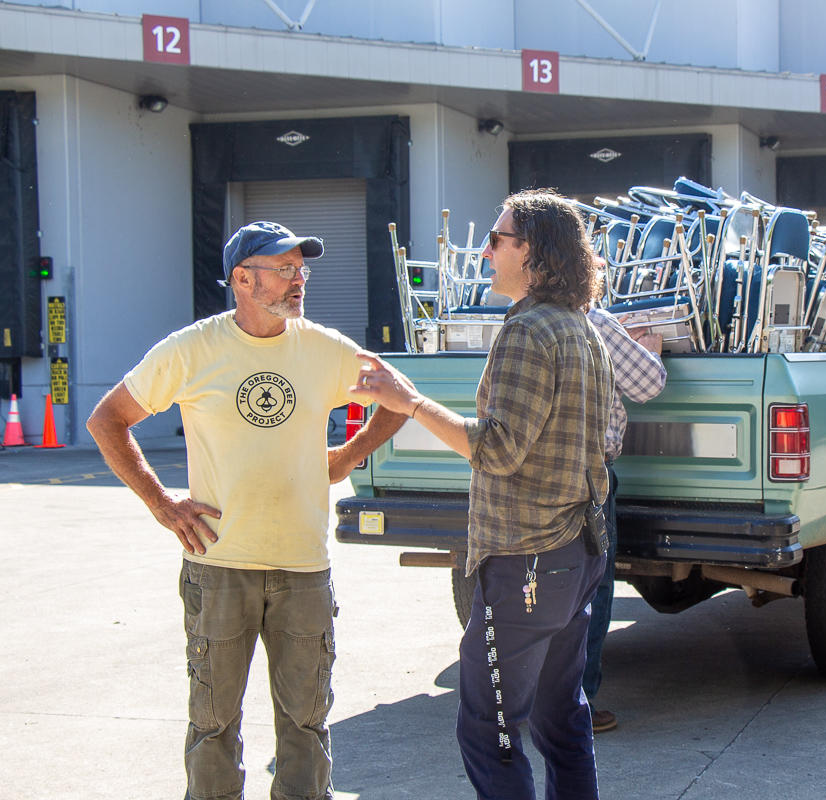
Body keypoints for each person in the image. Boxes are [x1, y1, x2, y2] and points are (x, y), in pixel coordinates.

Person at [86, 221, 405, 800]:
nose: (298, 280)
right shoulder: (192, 349)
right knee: (212, 724)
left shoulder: (323, 347)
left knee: (306, 725)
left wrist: (347, 457)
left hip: (303, 566)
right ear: (242, 279)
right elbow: (108, 419)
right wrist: (161, 502)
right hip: (219, 563)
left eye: (300, 269)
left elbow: (397, 396)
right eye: (284, 269)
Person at [350, 190, 614, 800]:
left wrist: (408, 401)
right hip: (575, 555)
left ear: (536, 254)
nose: (487, 250)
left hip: (528, 562)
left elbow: (496, 449)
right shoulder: (581, 328)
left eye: (499, 239)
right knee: (561, 722)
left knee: (487, 730)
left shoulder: (527, 332)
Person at [582, 298, 666, 732]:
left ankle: (528, 695)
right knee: (591, 588)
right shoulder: (595, 320)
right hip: (589, 476)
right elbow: (649, 382)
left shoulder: (521, 320)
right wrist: (645, 348)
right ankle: (578, 702)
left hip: (534, 475)